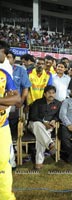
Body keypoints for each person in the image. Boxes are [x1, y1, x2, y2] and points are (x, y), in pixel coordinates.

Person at [0, 40, 20, 200]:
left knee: (3, 163)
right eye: (4, 54)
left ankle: (6, 196)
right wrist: (4, 100)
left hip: (2, 125)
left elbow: (17, 98)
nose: (5, 57)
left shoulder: (4, 75)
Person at [28, 85, 61, 169]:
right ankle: (50, 144)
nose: (51, 95)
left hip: (49, 125)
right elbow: (33, 116)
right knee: (39, 126)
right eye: (49, 93)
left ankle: (39, 162)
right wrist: (43, 122)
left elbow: (58, 116)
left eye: (53, 93)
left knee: (41, 136)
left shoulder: (58, 103)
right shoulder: (37, 102)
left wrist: (54, 120)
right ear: (45, 94)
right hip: (34, 124)